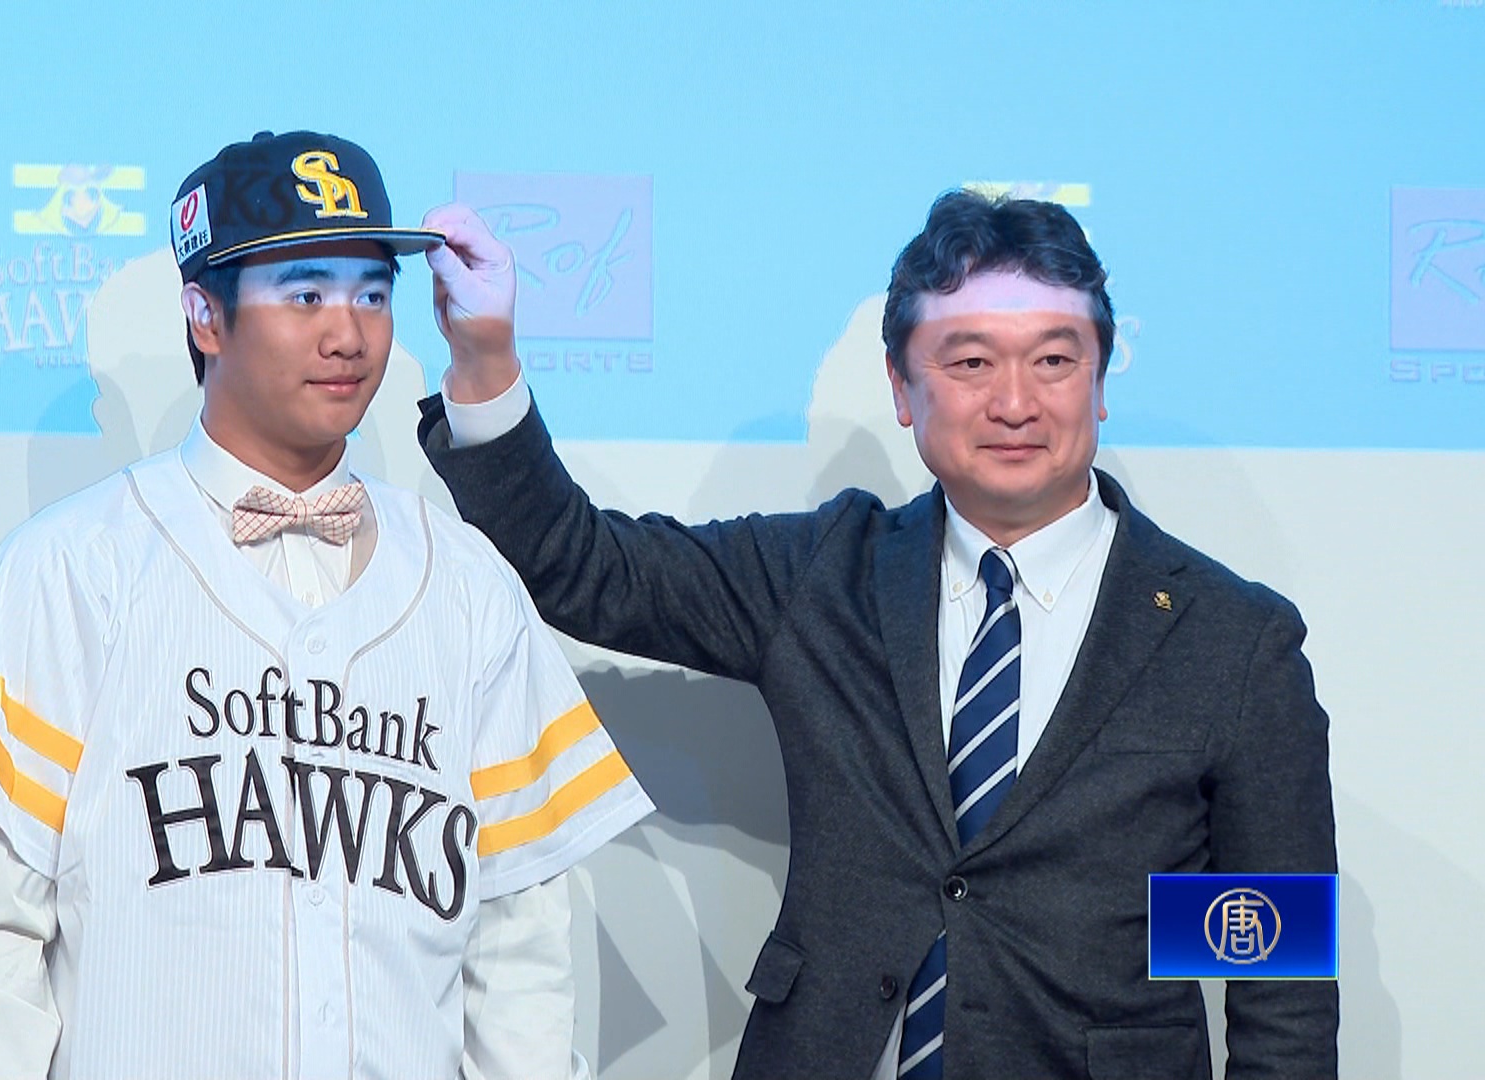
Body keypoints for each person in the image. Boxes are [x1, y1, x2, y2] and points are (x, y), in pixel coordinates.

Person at [416, 190, 1337, 1079]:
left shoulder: (1232, 642)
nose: (1016, 402)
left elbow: (1279, 978)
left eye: (1054, 360)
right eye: (970, 363)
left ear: (1100, 381)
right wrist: (486, 358)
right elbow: (579, 564)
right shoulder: (827, 574)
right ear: (902, 387)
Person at [0, 130, 653, 1080]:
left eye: (373, 295)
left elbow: (519, 950)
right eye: (306, 294)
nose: (348, 333)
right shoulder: (72, 566)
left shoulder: (467, 583)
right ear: (206, 316)